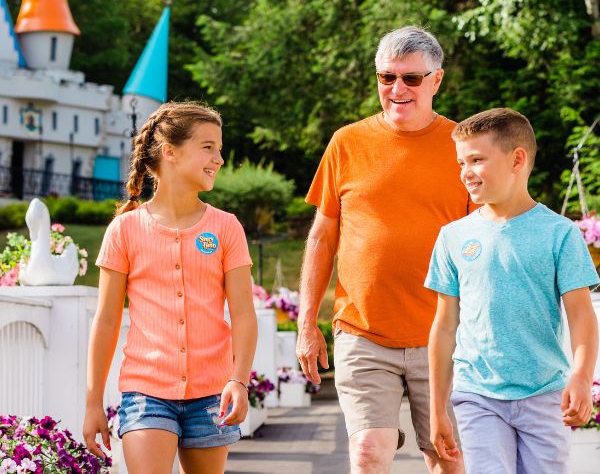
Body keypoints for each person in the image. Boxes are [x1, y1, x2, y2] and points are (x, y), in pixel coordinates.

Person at [297, 26, 471, 474]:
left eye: (411, 79)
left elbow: (486, 240)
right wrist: (306, 323)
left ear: (436, 81)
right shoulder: (346, 142)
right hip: (362, 332)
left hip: (445, 335)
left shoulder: (464, 149)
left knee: (448, 458)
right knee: (369, 451)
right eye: (386, 77)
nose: (397, 89)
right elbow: (322, 236)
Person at [83, 102, 257, 474]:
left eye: (219, 148)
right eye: (208, 147)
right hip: (146, 394)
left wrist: (238, 381)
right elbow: (107, 320)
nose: (220, 159)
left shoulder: (226, 228)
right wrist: (93, 402)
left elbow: (244, 314)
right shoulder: (125, 230)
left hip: (212, 395)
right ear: (170, 152)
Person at [426, 108, 600, 474]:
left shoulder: (560, 234)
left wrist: (581, 377)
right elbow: (444, 327)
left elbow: (582, 315)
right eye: (461, 162)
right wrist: (437, 408)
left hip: (545, 395)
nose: (465, 172)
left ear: (517, 159)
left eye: (476, 160)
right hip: (477, 394)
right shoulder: (453, 237)